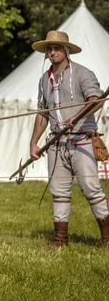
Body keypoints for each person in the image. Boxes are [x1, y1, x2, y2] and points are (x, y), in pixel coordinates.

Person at [29, 30, 109, 248]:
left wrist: (78, 115)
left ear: (66, 50)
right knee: (58, 190)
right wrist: (34, 143)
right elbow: (42, 113)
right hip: (56, 141)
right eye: (49, 48)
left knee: (91, 187)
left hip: (82, 139)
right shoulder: (44, 80)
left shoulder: (84, 73)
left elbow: (97, 100)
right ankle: (60, 238)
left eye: (57, 48)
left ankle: (107, 238)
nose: (52, 51)